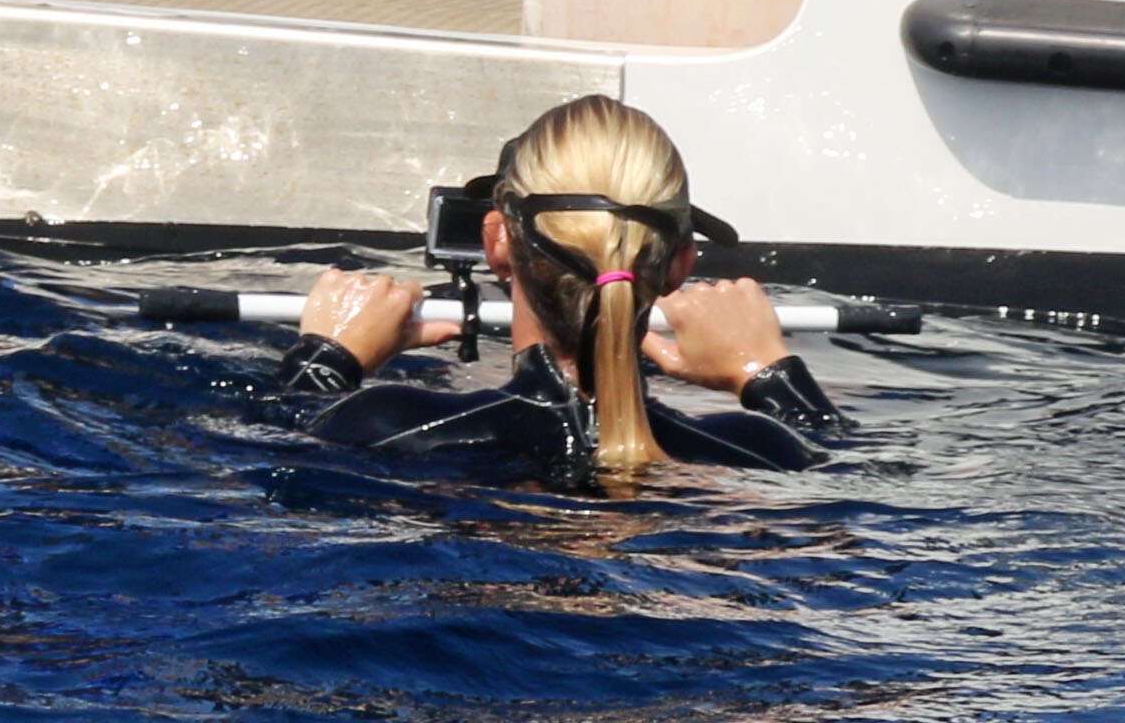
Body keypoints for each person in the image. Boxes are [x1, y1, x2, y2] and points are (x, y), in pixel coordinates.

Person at [275, 94, 851, 483]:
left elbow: (264, 454)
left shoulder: (381, 425)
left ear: (496, 242)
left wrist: (324, 362)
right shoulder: (764, 451)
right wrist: (771, 374)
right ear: (679, 264)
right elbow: (848, 471)